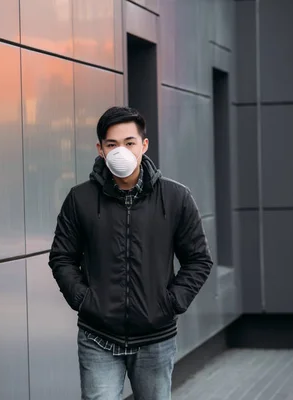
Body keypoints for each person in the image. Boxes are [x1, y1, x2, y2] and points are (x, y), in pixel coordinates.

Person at [49, 106, 213, 400]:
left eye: (129, 142)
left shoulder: (175, 198)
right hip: (98, 336)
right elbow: (62, 257)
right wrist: (84, 301)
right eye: (112, 144)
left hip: (156, 338)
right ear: (100, 149)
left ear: (144, 145)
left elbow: (199, 260)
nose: (120, 151)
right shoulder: (80, 199)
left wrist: (171, 302)